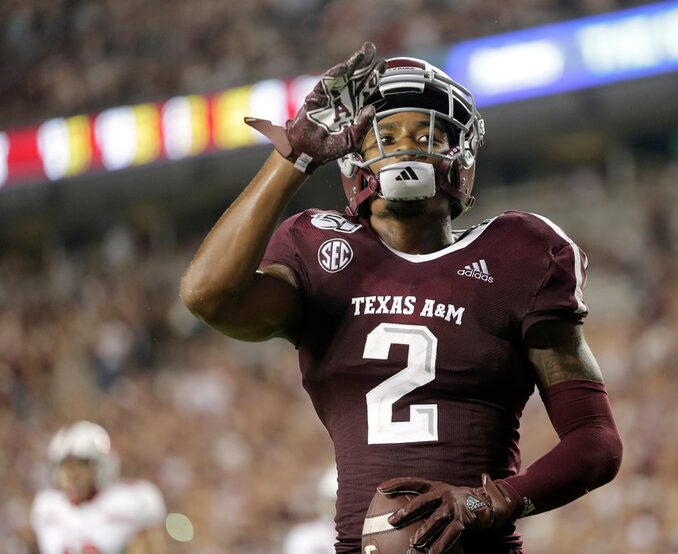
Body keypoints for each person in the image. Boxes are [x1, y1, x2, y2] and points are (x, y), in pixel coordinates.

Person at [181, 42, 623, 553]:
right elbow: (206, 295)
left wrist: (489, 501)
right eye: (384, 135)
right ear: (351, 158)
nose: (406, 146)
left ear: (462, 159)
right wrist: (293, 158)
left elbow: (596, 441)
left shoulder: (519, 253)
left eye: (425, 134)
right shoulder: (319, 250)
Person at [30, 421, 167, 554]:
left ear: (101, 467)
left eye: (80, 465)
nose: (72, 475)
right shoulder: (47, 506)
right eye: (65, 467)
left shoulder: (131, 501)